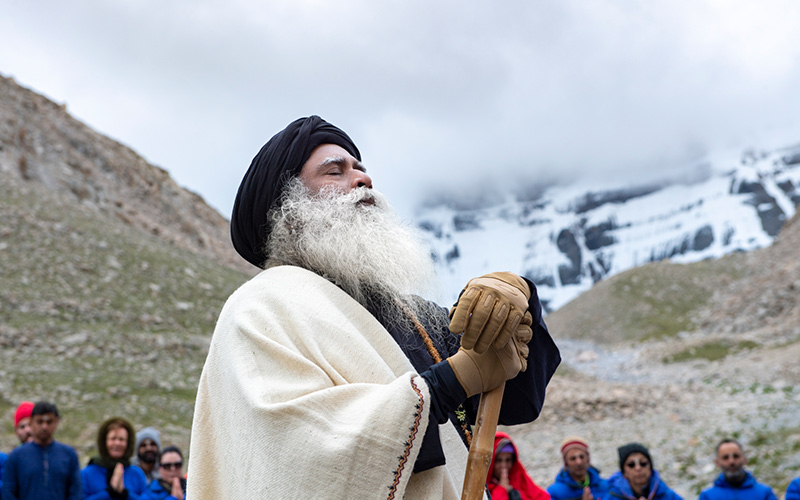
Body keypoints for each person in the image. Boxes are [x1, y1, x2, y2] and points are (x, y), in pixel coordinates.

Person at [186, 115, 561, 498]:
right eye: (335, 172)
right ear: (287, 207)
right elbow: (301, 456)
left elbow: (517, 402)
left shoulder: (412, 315)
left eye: (361, 169)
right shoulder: (261, 308)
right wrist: (452, 381)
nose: (362, 179)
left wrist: (517, 299)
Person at [1, 401, 82, 500]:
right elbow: (8, 493)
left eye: (49, 422)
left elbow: (76, 493)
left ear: (56, 422)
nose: (44, 427)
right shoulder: (16, 456)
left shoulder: (69, 455)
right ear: (31, 422)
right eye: (39, 422)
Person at [81, 417, 149, 500]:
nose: (117, 443)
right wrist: (109, 492)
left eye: (121, 439)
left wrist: (125, 493)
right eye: (112, 439)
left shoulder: (136, 473)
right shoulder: (87, 473)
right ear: (104, 442)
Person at [698, 439, 777, 500]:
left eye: (736, 456)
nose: (731, 461)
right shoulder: (708, 496)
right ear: (717, 463)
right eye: (725, 457)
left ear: (745, 460)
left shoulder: (764, 493)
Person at [487, 432, 550, 500]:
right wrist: (502, 489)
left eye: (508, 460)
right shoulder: (483, 489)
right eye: (499, 460)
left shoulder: (520, 479)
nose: (503, 465)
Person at [608, 443, 682, 500]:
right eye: (631, 464)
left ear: (650, 468)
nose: (638, 468)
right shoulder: (612, 495)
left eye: (643, 463)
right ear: (624, 472)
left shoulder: (666, 494)